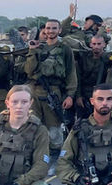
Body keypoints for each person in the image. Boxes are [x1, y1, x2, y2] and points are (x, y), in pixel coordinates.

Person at [24, 19, 78, 164]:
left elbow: (71, 73)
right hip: (34, 91)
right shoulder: (37, 47)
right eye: (48, 28)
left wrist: (70, 95)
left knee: (54, 128)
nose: (50, 31)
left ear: (59, 30)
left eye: (54, 28)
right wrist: (32, 51)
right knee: (32, 125)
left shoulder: (65, 49)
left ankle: (55, 160)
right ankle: (35, 159)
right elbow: (29, 70)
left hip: (53, 91)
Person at [75, 34, 112, 120]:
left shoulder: (109, 59)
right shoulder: (84, 58)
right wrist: (78, 96)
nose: (96, 46)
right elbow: (78, 78)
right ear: (90, 45)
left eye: (99, 44)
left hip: (102, 95)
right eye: (94, 44)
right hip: (85, 94)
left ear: (104, 44)